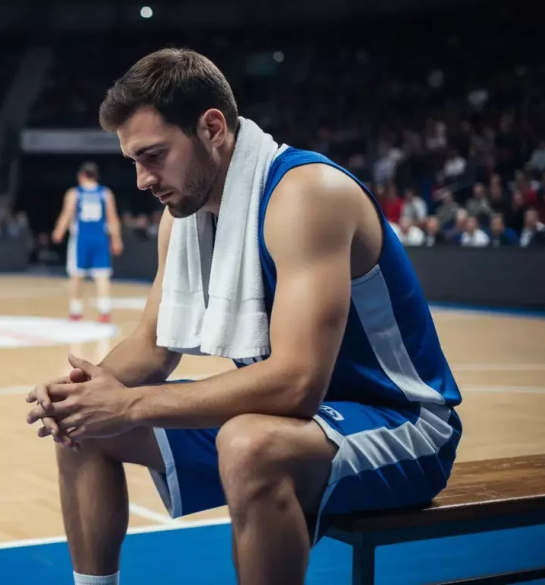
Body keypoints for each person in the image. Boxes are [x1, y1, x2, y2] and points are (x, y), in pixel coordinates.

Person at [24, 48, 461, 585]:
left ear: (212, 128)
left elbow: (298, 384)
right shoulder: (183, 215)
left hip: (402, 423)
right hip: (290, 424)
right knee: (84, 424)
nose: (141, 179)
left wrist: (131, 402)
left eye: (154, 155)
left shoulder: (306, 196)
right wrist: (85, 392)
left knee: (249, 443)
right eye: (133, 161)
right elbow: (152, 346)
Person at [52, 162, 123, 322]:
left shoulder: (75, 193)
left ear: (81, 176)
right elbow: (112, 218)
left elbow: (67, 213)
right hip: (100, 238)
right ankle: (104, 311)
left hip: (81, 239)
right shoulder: (105, 193)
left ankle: (75, 311)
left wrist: (59, 231)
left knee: (77, 275)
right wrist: (116, 239)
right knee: (102, 275)